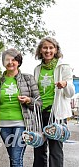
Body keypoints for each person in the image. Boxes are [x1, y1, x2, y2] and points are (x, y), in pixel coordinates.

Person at [33, 37, 75, 167]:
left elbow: (71, 92)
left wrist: (65, 84)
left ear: (56, 50)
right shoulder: (37, 69)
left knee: (55, 150)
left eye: (51, 48)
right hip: (40, 113)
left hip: (56, 113)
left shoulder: (63, 67)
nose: (48, 50)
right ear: (40, 50)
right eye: (45, 47)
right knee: (39, 147)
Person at [0, 48, 42, 167]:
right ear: (3, 62)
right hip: (3, 124)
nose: (10, 62)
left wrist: (28, 100)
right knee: (13, 157)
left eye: (14, 59)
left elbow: (39, 102)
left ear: (19, 62)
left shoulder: (28, 78)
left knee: (16, 158)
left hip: (22, 124)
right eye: (7, 59)